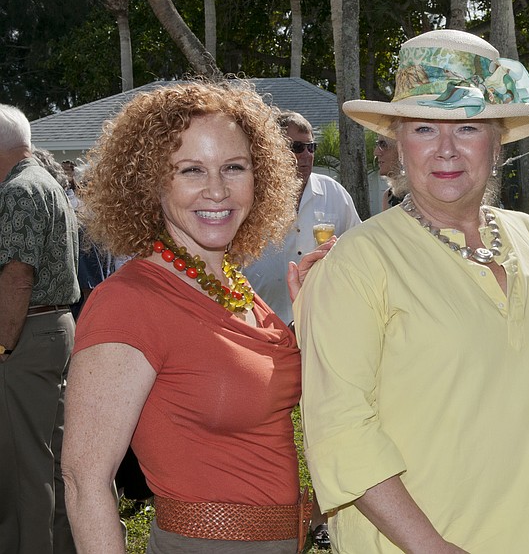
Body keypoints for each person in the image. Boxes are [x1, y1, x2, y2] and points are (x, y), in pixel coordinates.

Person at [294, 29, 529, 553]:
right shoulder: (358, 261)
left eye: (467, 127)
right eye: (424, 128)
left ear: (498, 141)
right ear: (399, 143)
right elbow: (339, 430)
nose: (446, 149)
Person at [61, 81, 329, 553]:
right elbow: (84, 480)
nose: (217, 190)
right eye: (190, 170)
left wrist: (313, 317)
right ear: (149, 182)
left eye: (234, 167)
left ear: (260, 176)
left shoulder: (231, 282)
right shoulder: (130, 301)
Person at [0, 105, 80, 554]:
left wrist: (1, 345)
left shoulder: (18, 189)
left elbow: (16, 276)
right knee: (51, 461)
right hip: (50, 327)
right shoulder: (44, 181)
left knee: (21, 470)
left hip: (25, 334)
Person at [245, 111, 361, 326]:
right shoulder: (249, 195)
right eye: (297, 148)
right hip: (261, 324)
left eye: (311, 147)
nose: (306, 155)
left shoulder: (333, 191)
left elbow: (359, 250)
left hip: (321, 322)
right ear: (273, 150)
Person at [375, 135, 403, 210]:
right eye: (377, 145)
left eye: (383, 145)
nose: (376, 153)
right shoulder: (388, 196)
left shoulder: (427, 192)